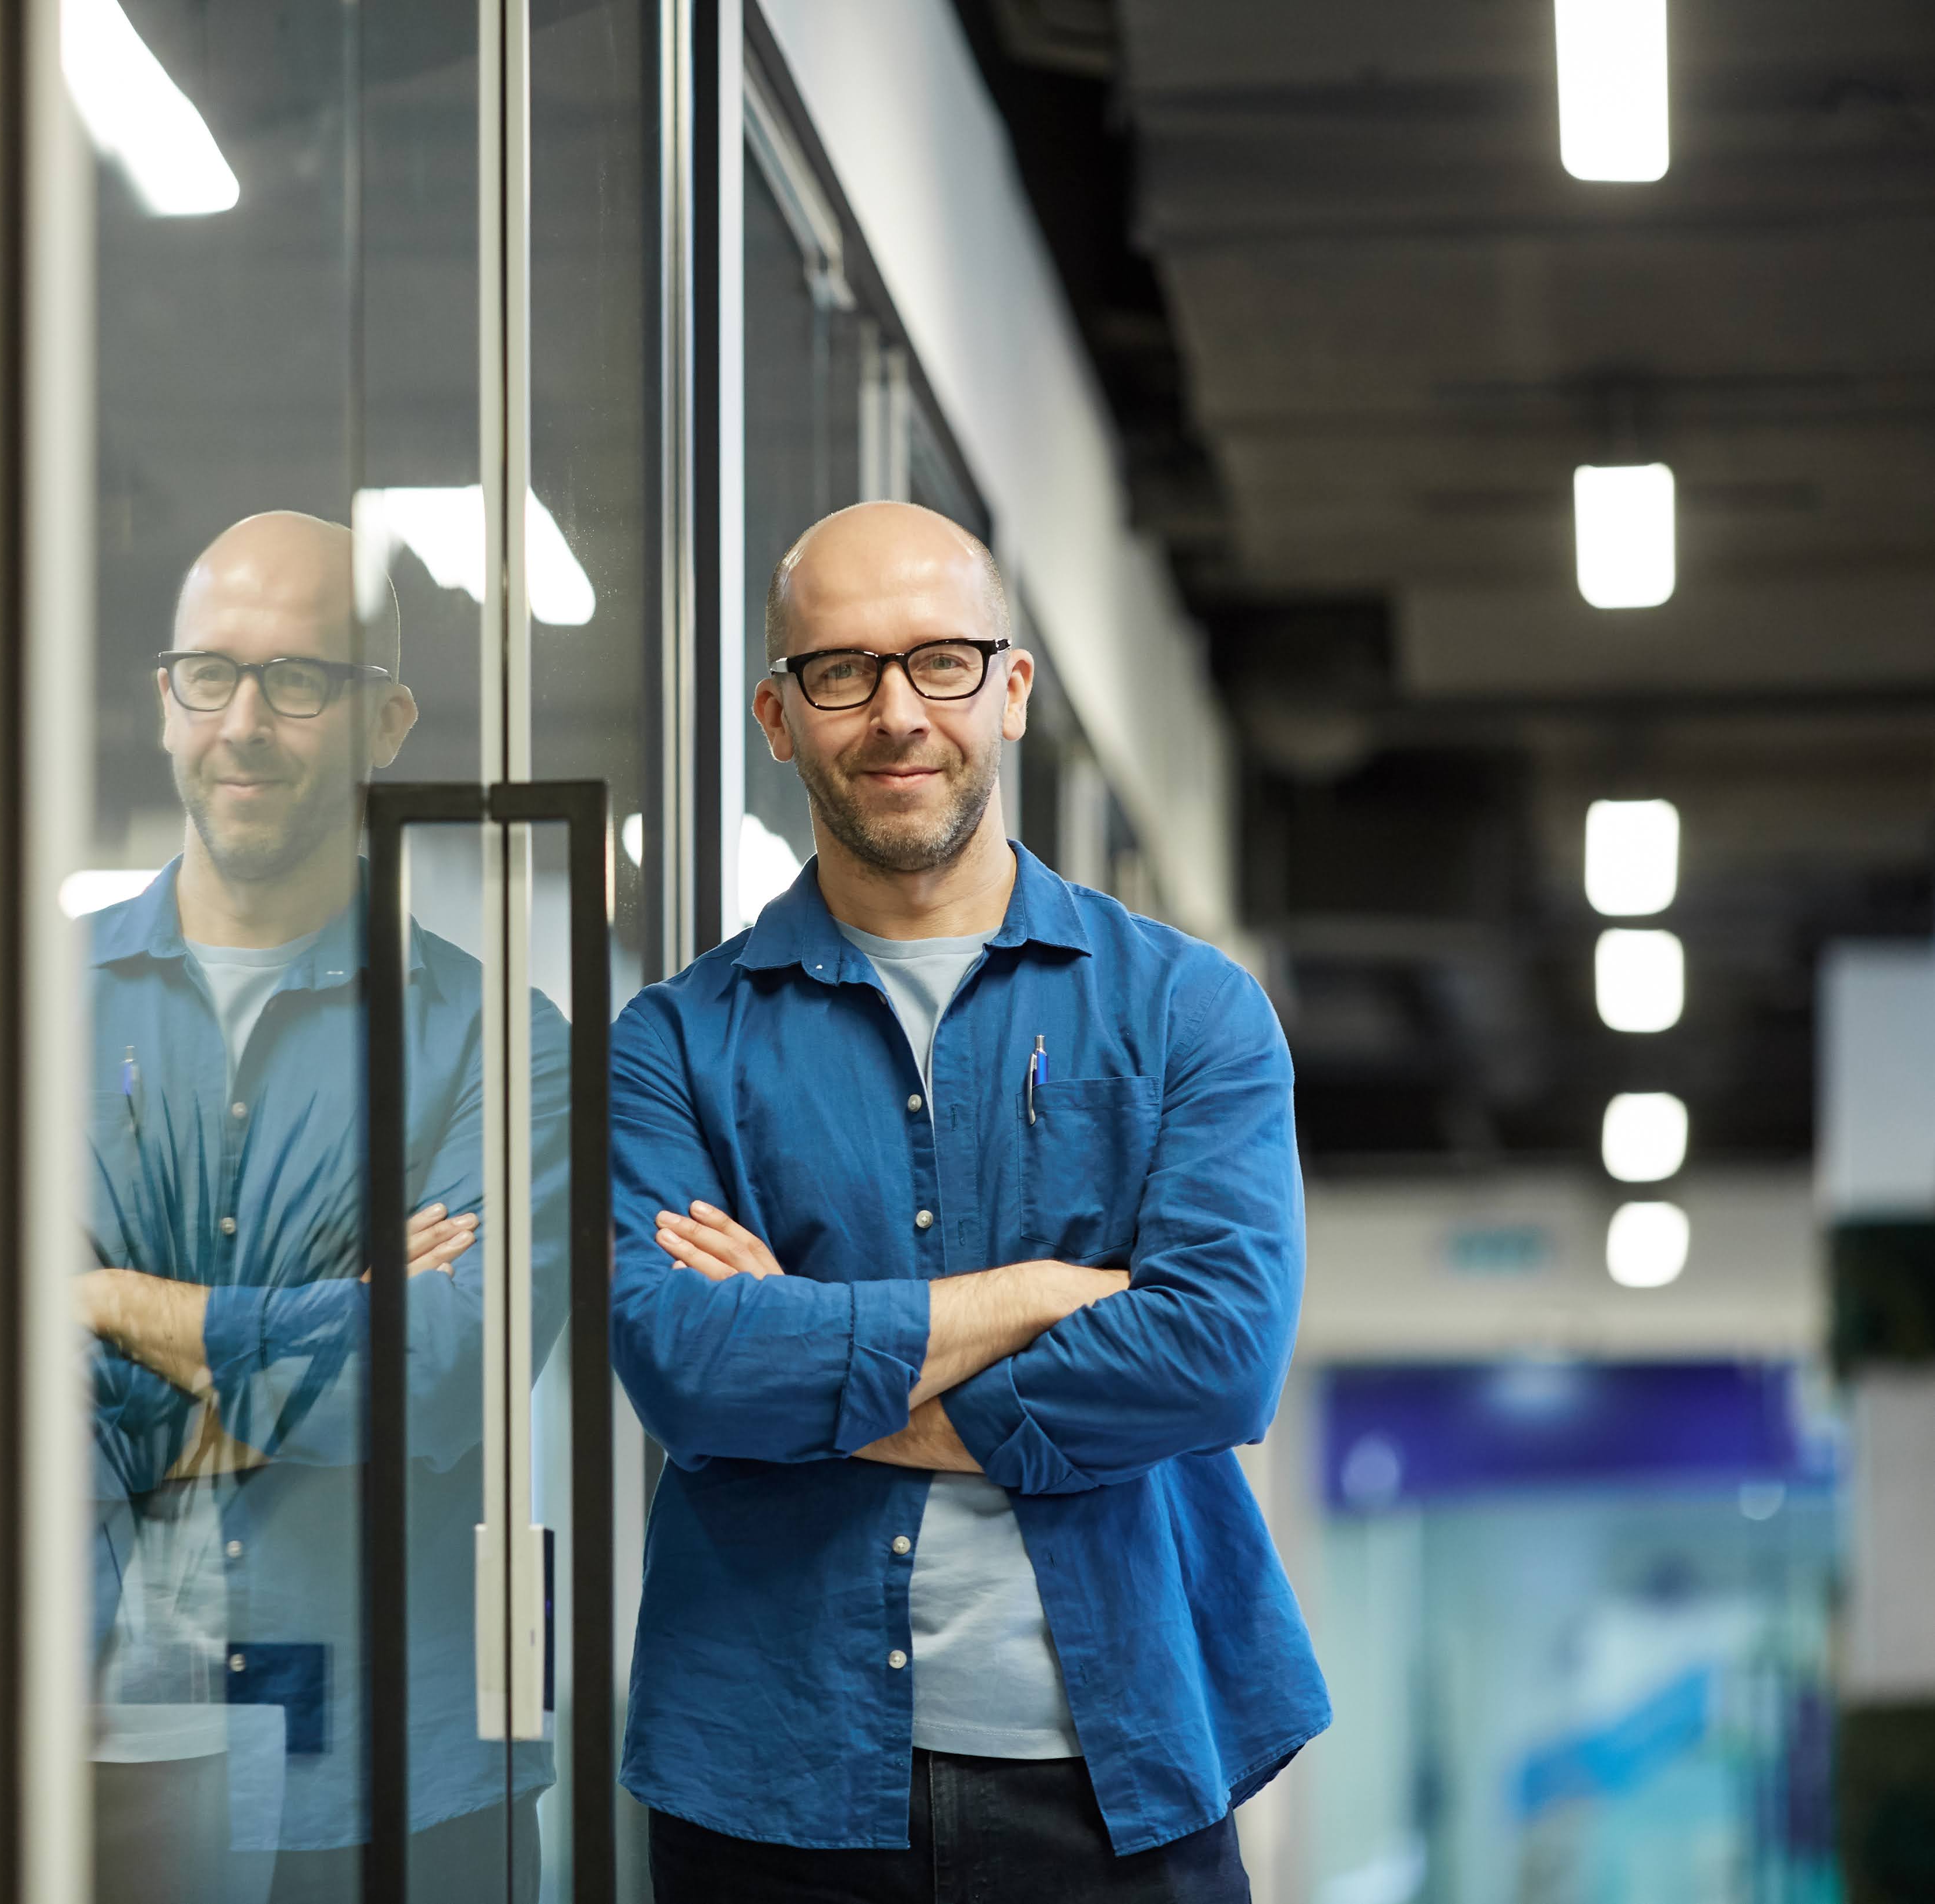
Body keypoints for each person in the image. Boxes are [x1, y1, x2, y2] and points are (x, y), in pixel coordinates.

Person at [608, 501, 1327, 1901]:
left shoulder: (1186, 1011)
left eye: (938, 661)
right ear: (773, 714)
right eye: (840, 672)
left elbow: (1215, 1357)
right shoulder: (674, 1041)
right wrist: (1036, 1300)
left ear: (1008, 688)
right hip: (766, 1777)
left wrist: (811, 1375)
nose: (893, 713)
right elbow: (685, 1367)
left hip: (1121, 1773)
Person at [73, 510, 567, 1904]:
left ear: (385, 720)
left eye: (297, 681)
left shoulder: (497, 1044)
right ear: (161, 699)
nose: (243, 722)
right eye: (207, 674)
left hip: (393, 1780)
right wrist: (320, 1319)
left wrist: (108, 1300)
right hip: (61, 1748)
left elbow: (436, 1375)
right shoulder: (20, 1007)